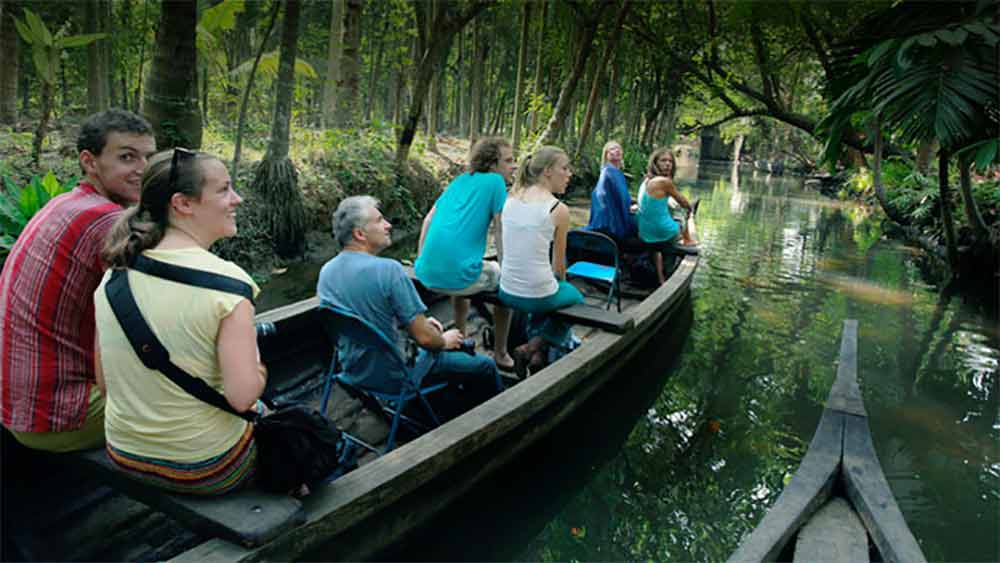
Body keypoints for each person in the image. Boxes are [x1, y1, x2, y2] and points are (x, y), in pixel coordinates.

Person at [93, 148, 265, 495]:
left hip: (123, 455)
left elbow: (106, 385)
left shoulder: (113, 277)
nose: (237, 198)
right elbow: (242, 397)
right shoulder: (230, 285)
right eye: (224, 190)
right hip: (206, 469)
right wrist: (260, 370)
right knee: (278, 422)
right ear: (183, 204)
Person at [0, 109, 155, 453]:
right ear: (90, 161)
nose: (143, 168)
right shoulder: (111, 222)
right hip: (56, 417)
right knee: (204, 398)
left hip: (15, 402)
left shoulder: (63, 202)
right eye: (127, 157)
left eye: (148, 157)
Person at [318, 196, 502, 421]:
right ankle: (491, 421)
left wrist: (419, 327)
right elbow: (426, 340)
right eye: (379, 220)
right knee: (485, 366)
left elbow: (368, 319)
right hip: (398, 376)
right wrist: (444, 340)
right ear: (359, 234)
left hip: (355, 372)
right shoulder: (389, 271)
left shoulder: (326, 272)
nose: (388, 225)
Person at [415, 137, 516, 371]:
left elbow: (428, 219)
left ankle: (459, 335)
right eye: (509, 160)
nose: (513, 166)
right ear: (492, 164)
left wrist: (420, 260)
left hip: (426, 273)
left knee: (466, 266)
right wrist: (507, 268)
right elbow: (500, 228)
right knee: (505, 286)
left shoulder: (459, 181)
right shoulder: (496, 183)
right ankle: (501, 352)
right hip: (459, 276)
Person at [498, 147, 584, 378]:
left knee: (545, 291)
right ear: (547, 171)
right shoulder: (559, 209)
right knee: (574, 297)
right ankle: (534, 346)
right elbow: (559, 266)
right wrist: (561, 285)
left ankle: (537, 355)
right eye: (564, 168)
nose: (569, 174)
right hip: (537, 296)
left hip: (505, 291)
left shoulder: (510, 199)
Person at [637, 147, 699, 284]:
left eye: (670, 161)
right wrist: (690, 209)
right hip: (664, 232)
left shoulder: (646, 180)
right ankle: (687, 239)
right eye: (663, 160)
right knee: (683, 214)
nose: (668, 164)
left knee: (657, 242)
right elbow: (683, 202)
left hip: (645, 233)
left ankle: (661, 278)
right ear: (655, 163)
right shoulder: (665, 182)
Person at [584, 140, 635, 243]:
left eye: (619, 148)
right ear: (606, 155)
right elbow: (618, 197)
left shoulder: (616, 173)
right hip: (609, 224)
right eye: (612, 148)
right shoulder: (609, 172)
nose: (617, 150)